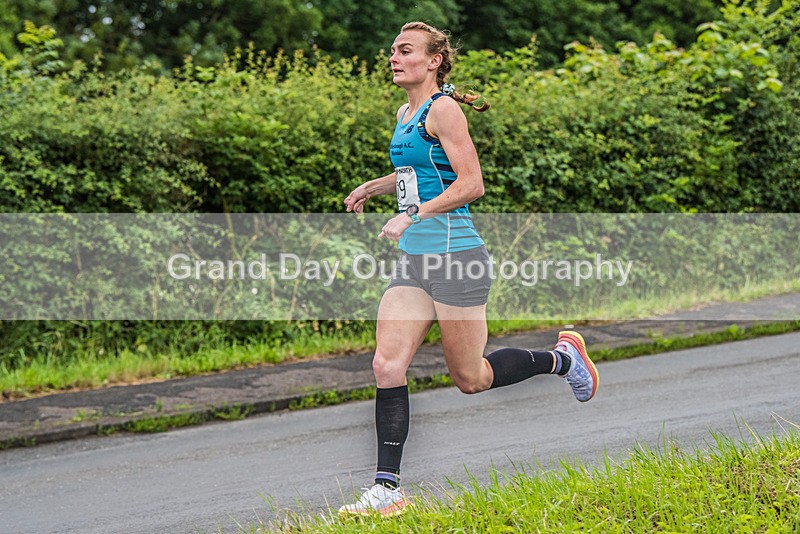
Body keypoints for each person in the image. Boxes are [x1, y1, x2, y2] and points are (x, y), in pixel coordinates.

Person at [338, 21, 598, 518]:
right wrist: (377, 187)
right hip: (416, 261)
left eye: (405, 50)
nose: (393, 57)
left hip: (458, 260)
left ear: (433, 60)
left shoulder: (444, 110)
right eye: (392, 50)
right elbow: (420, 172)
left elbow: (471, 183)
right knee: (386, 364)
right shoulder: (405, 111)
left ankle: (563, 358)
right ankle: (387, 491)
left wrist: (410, 214)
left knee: (471, 377)